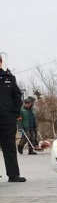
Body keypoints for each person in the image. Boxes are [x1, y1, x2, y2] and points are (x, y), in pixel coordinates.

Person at [0, 54, 25, 182]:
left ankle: (13, 174)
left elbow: (17, 97)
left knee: (9, 147)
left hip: (7, 119)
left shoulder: (9, 78)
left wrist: (14, 114)